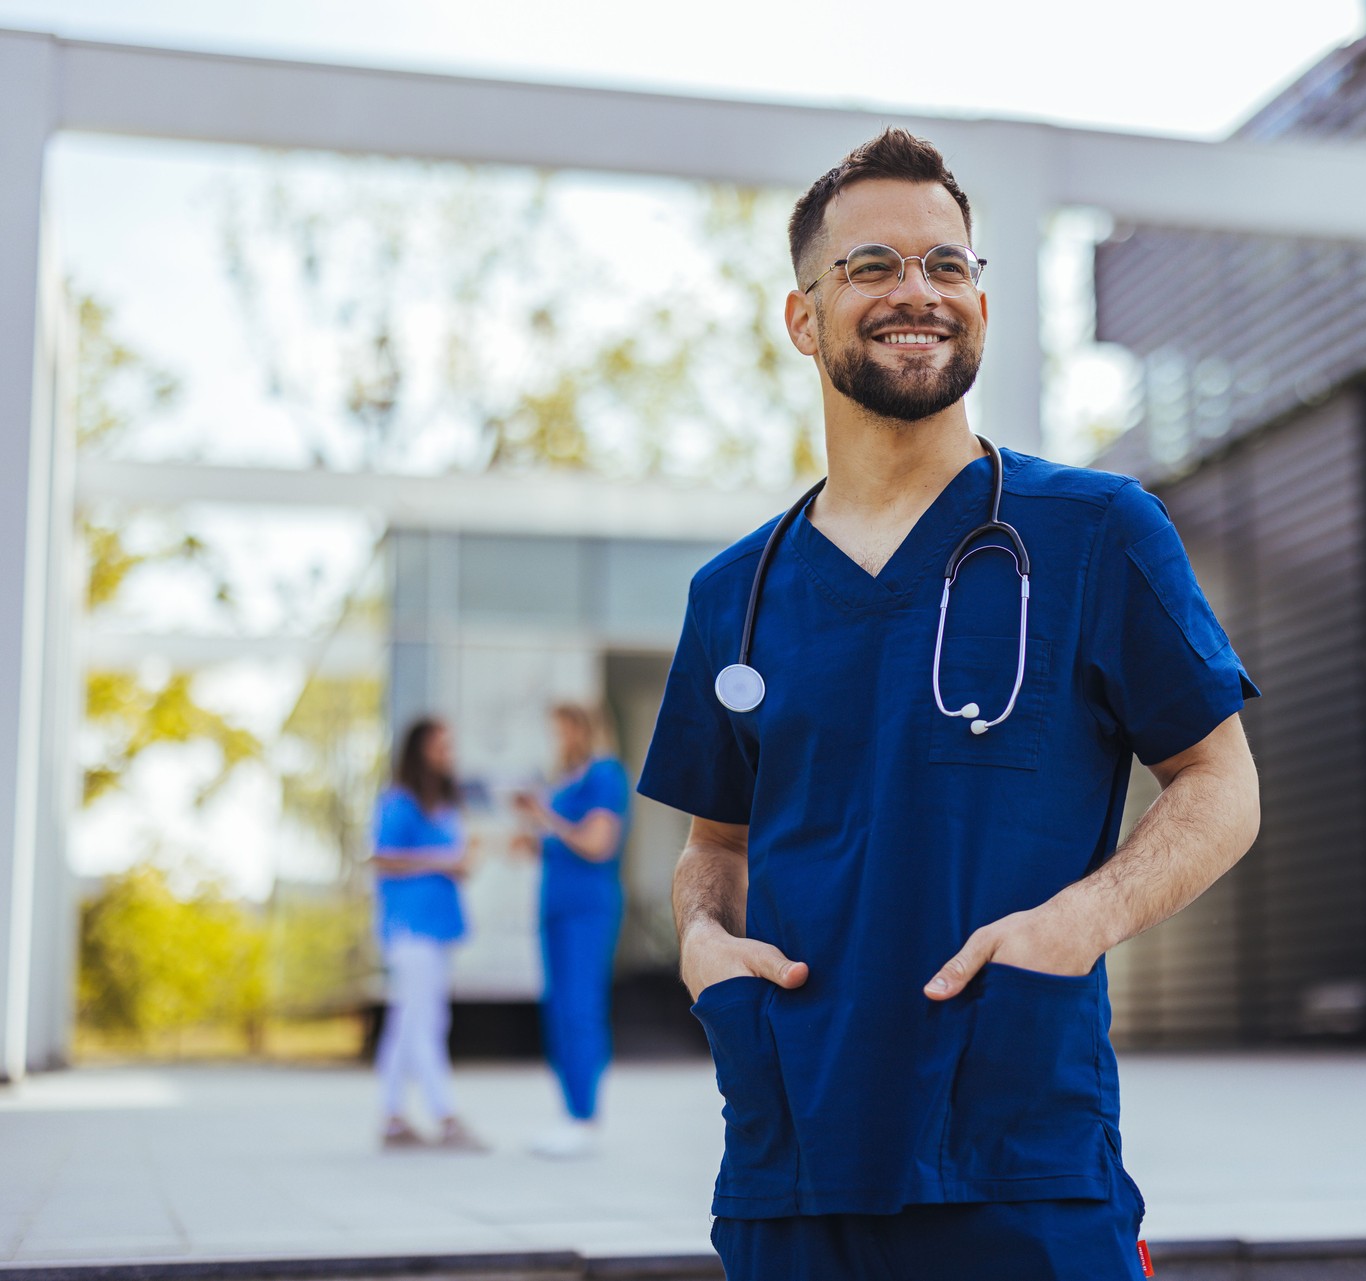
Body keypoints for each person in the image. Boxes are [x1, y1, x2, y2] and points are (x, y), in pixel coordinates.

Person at [637, 129, 1261, 1280]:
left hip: (1021, 1159)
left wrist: (1079, 922)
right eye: (871, 266)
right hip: (793, 1165)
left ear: (980, 296)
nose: (916, 292)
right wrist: (704, 943)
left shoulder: (1096, 534)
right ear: (803, 316)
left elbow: (1221, 784)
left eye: (947, 266)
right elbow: (712, 844)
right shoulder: (736, 592)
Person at [512, 702, 632, 1159]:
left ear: (585, 729)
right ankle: (568, 1113)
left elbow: (598, 844)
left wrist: (545, 817)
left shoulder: (604, 775)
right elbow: (562, 843)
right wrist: (535, 839)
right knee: (558, 1010)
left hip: (587, 910)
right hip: (556, 908)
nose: (558, 739)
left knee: (581, 1008)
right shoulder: (563, 781)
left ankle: (585, 1116)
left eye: (563, 730)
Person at [370, 716, 485, 1151]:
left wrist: (461, 860)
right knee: (425, 1021)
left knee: (408, 1021)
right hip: (408, 926)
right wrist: (441, 860)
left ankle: (393, 1116)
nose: (447, 753)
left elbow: (454, 861)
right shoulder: (398, 802)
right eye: (440, 745)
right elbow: (381, 858)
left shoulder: (447, 805)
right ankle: (446, 1115)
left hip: (438, 925)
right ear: (419, 749)